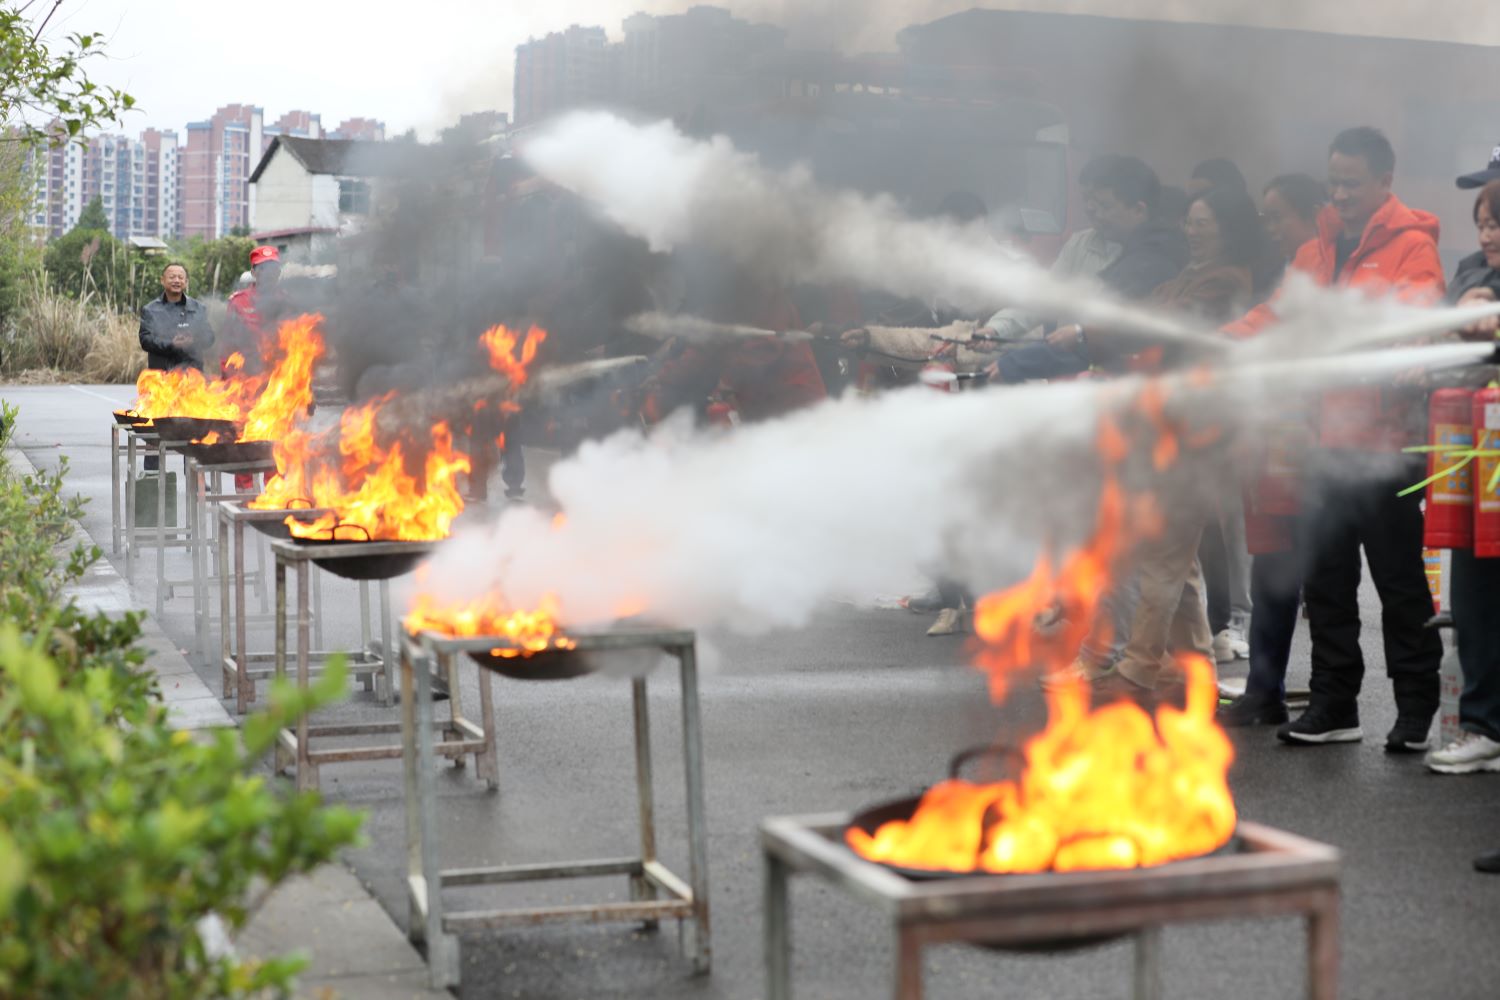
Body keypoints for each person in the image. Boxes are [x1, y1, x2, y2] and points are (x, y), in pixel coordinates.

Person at [1226, 127, 1446, 750]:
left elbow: (1420, 319)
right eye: (1334, 183)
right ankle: (1333, 704)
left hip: (1383, 451)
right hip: (1318, 447)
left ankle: (1414, 710)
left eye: (1352, 182)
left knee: (1399, 582)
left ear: (1385, 181)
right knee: (1325, 580)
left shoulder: (1411, 248)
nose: (1341, 194)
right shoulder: (1314, 252)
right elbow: (1275, 315)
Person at [1059, 185, 1264, 699]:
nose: (1192, 232)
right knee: (1178, 558)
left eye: (1203, 223)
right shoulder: (1189, 278)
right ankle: (1196, 673)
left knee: (1161, 555)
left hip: (1196, 435)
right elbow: (1140, 316)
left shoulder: (1226, 283)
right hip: (1164, 428)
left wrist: (1088, 337)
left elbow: (1164, 329)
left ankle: (1137, 664)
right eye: (1189, 223)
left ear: (1228, 229)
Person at [1219, 174, 1329, 728]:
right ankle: (1265, 690)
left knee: (1320, 575)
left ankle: (1333, 703)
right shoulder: (1302, 260)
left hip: (1318, 443)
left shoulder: (1321, 258)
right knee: (1273, 568)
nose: (1268, 226)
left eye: (1276, 215)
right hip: (1281, 439)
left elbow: (1280, 324)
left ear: (1312, 214)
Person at [990, 155, 1188, 384]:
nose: (1093, 211)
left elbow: (1105, 338)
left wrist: (1020, 362)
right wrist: (997, 329)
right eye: (1087, 201)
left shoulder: (1153, 259)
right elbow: (1046, 297)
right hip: (1071, 376)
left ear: (1138, 210)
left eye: (1104, 205)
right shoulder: (1081, 244)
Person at [1424, 180, 1500, 778]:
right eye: (1480, 223)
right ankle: (1484, 726)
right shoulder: (1470, 273)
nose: (1486, 235)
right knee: (1475, 595)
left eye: (1497, 223)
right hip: (1478, 465)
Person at [138, 261, 214, 371]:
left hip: (192, 376)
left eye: (180, 277)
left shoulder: (198, 308)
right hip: (161, 376)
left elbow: (209, 337)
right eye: (172, 277)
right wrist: (171, 344)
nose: (177, 281)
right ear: (162, 281)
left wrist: (193, 341)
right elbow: (145, 341)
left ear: (186, 282)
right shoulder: (150, 310)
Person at [224, 245, 284, 372]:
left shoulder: (288, 300)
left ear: (279, 271)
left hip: (281, 372)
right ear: (253, 273)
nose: (268, 273)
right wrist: (227, 374)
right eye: (262, 268)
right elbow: (228, 343)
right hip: (248, 373)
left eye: (273, 267)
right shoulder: (238, 301)